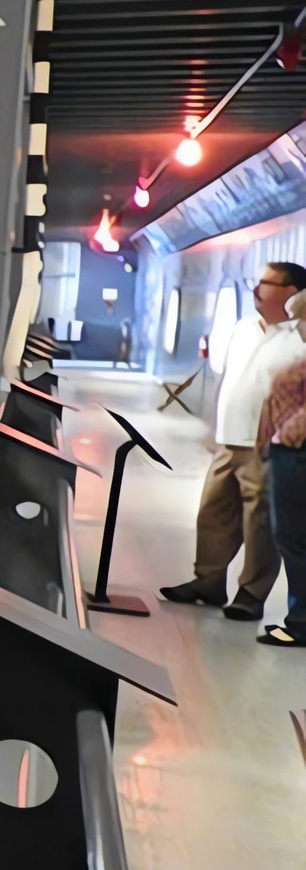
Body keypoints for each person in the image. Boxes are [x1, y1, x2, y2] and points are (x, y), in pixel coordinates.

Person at [162, 261, 306, 617]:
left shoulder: (300, 337)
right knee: (212, 511)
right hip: (230, 439)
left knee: (259, 521)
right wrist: (214, 429)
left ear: (292, 293)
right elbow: (228, 379)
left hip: (266, 445)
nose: (256, 289)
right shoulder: (243, 328)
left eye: (267, 283)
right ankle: (208, 581)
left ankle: (251, 594)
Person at [257, 289, 306, 646]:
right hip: (289, 450)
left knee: (293, 537)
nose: (298, 327)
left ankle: (301, 621)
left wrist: (286, 435)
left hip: (296, 454)